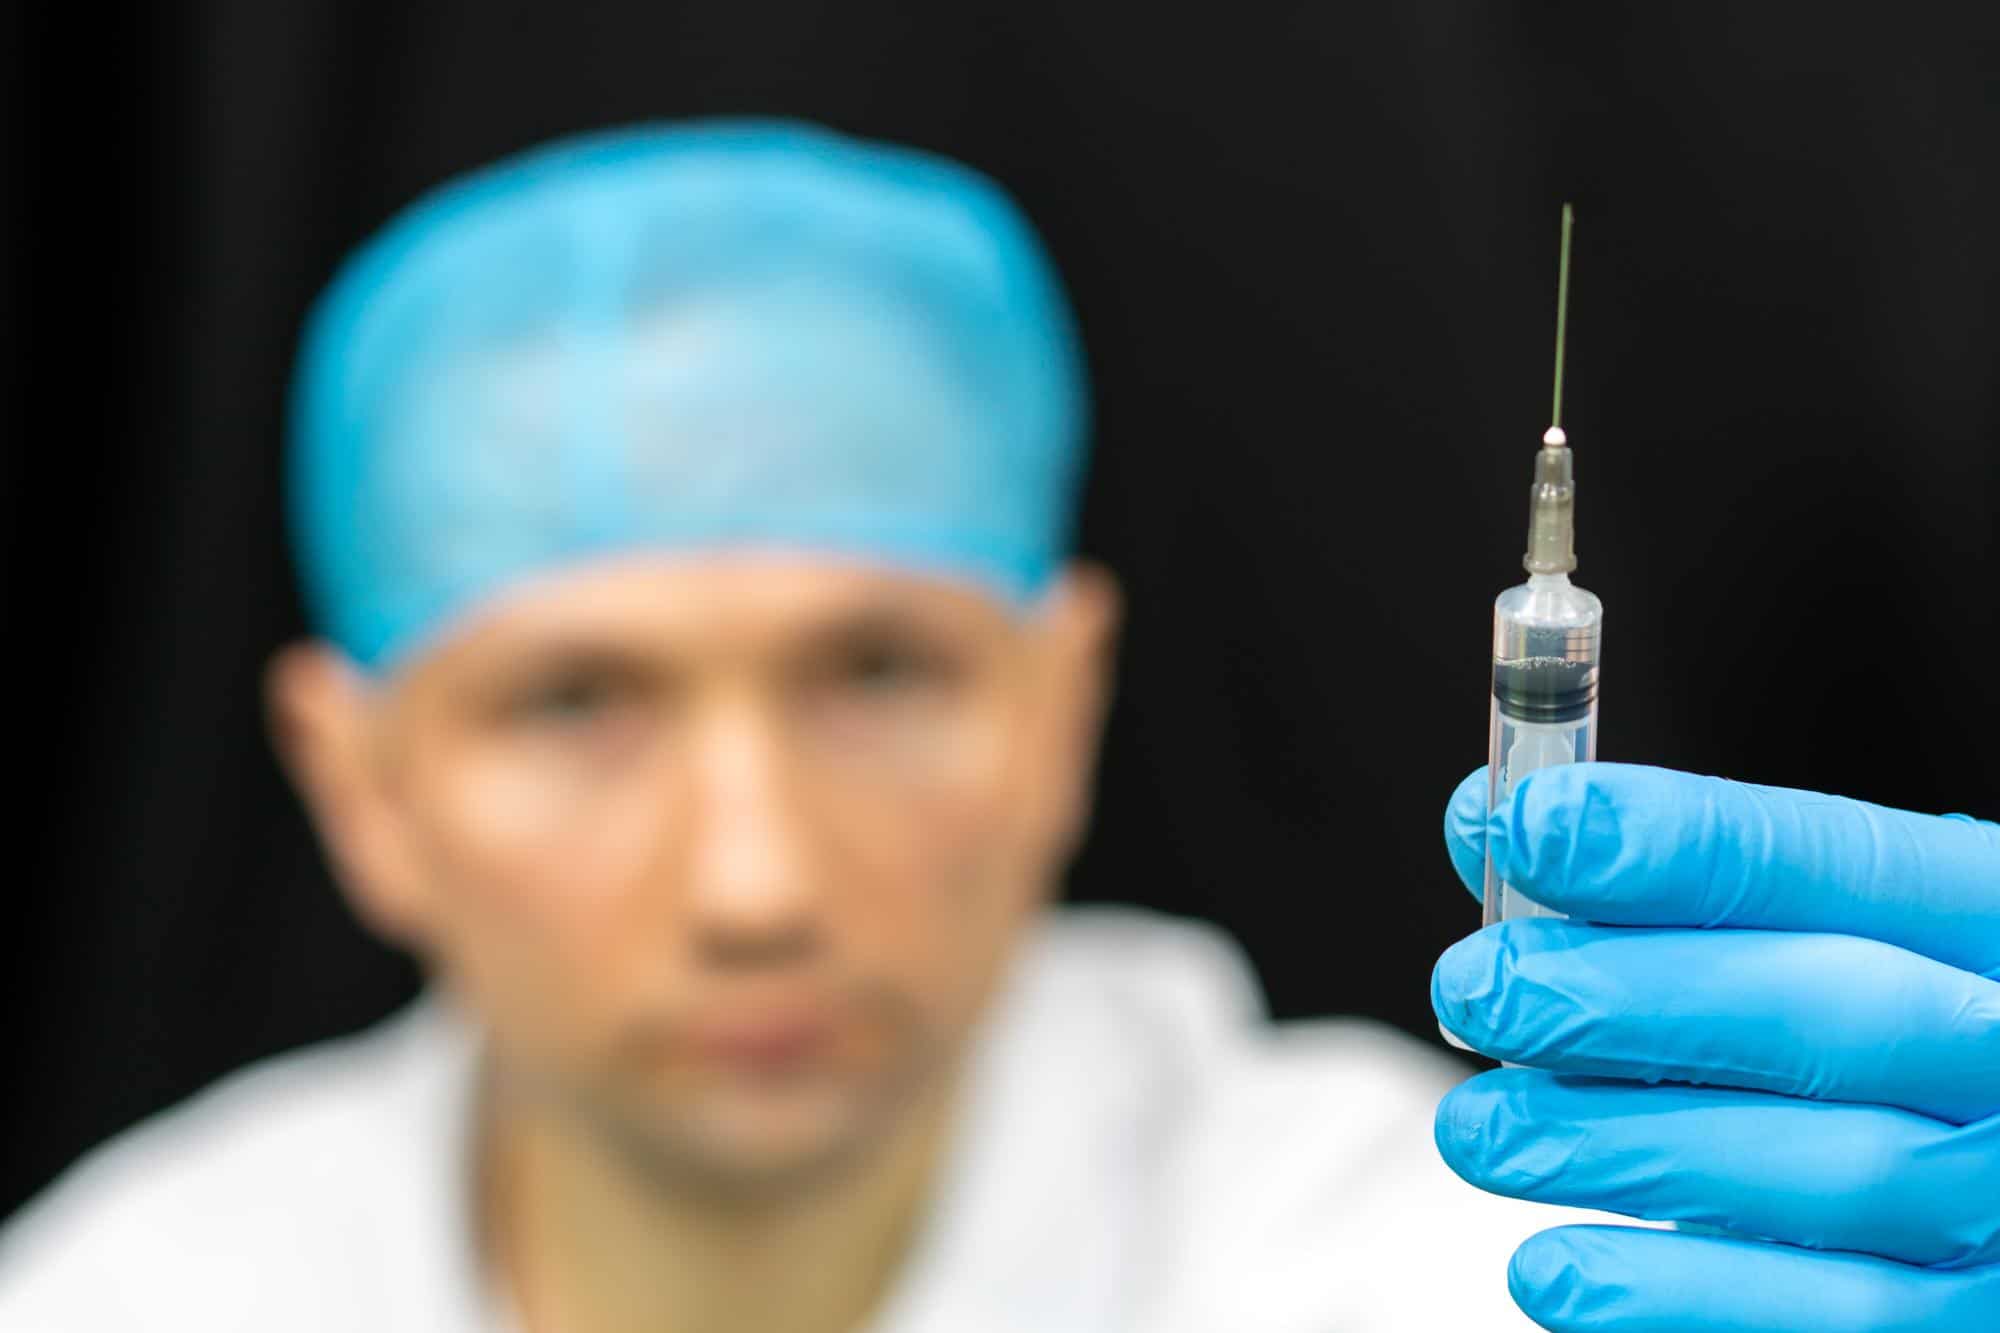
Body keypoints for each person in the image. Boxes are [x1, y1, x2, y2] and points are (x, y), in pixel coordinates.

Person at [1, 120, 1992, 1333]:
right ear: (360, 783)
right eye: (576, 701)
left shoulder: (1443, 1263)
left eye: (878, 674)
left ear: (1063, 704)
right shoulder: (127, 1299)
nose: (756, 883)